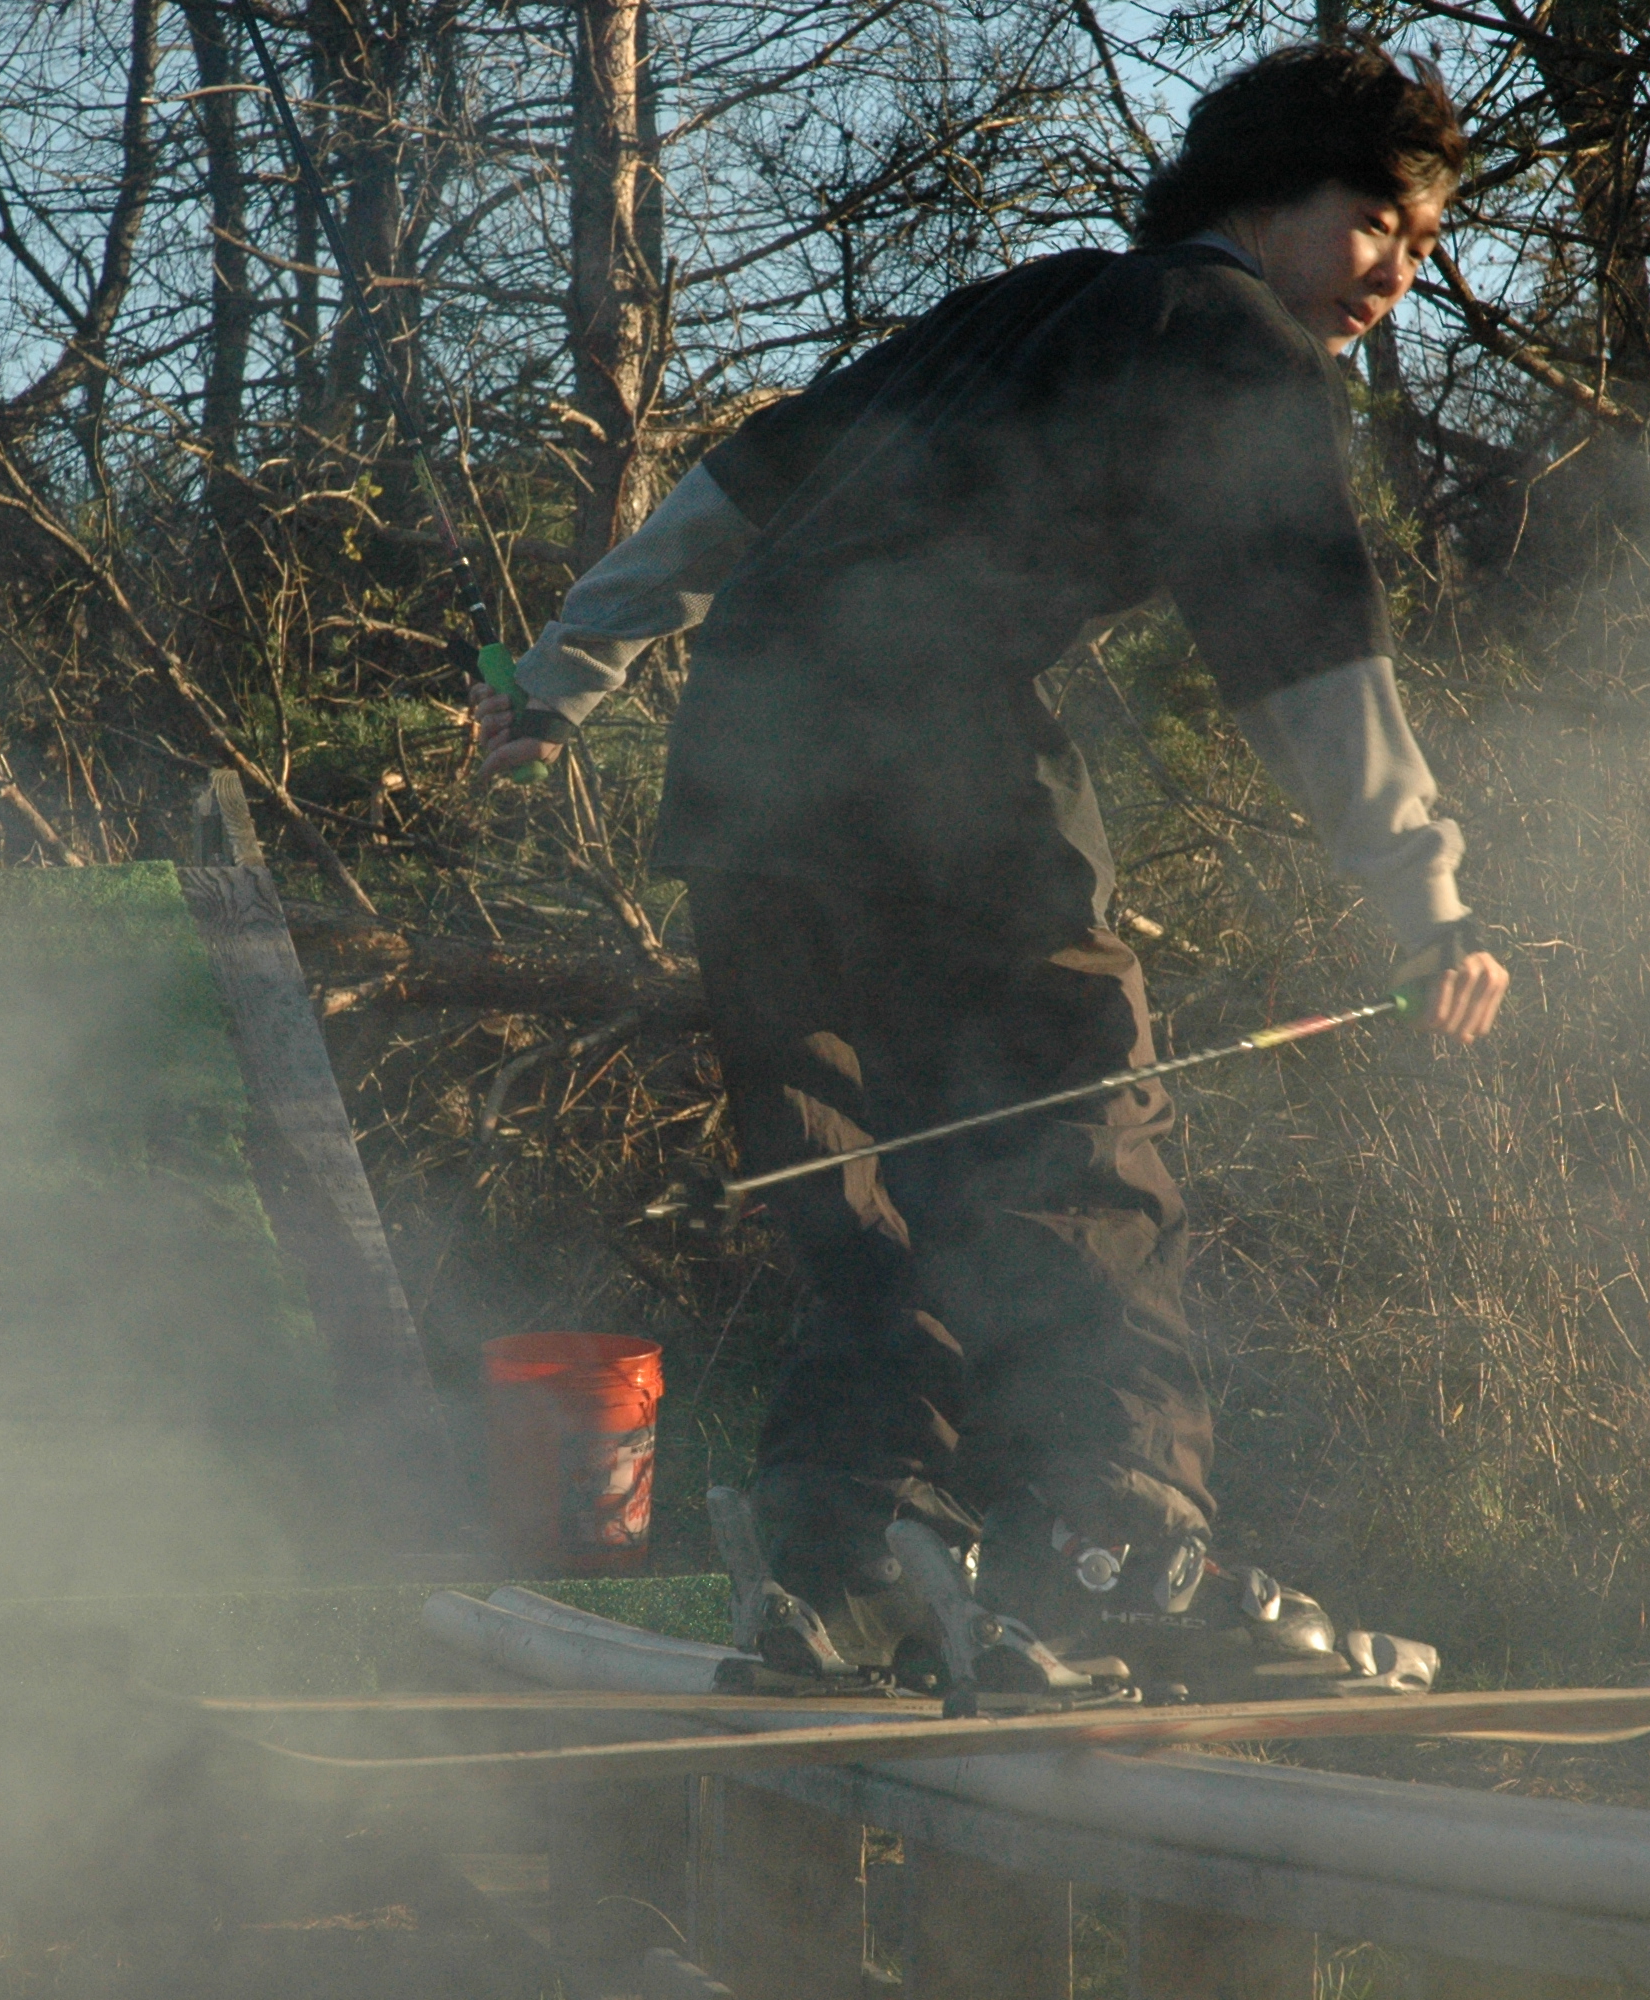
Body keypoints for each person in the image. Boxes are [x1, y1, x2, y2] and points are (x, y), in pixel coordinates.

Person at [473, 42, 1508, 1693]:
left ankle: (847, 1567)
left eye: (1426, 246)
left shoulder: (1032, 302)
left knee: (864, 1173)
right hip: (934, 755)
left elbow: (750, 479)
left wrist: (561, 679)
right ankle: (1120, 1553)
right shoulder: (1231, 337)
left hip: (750, 764)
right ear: (1266, 193)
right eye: (1377, 220)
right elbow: (1309, 640)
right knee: (1079, 1135)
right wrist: (1425, 900)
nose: (1395, 274)